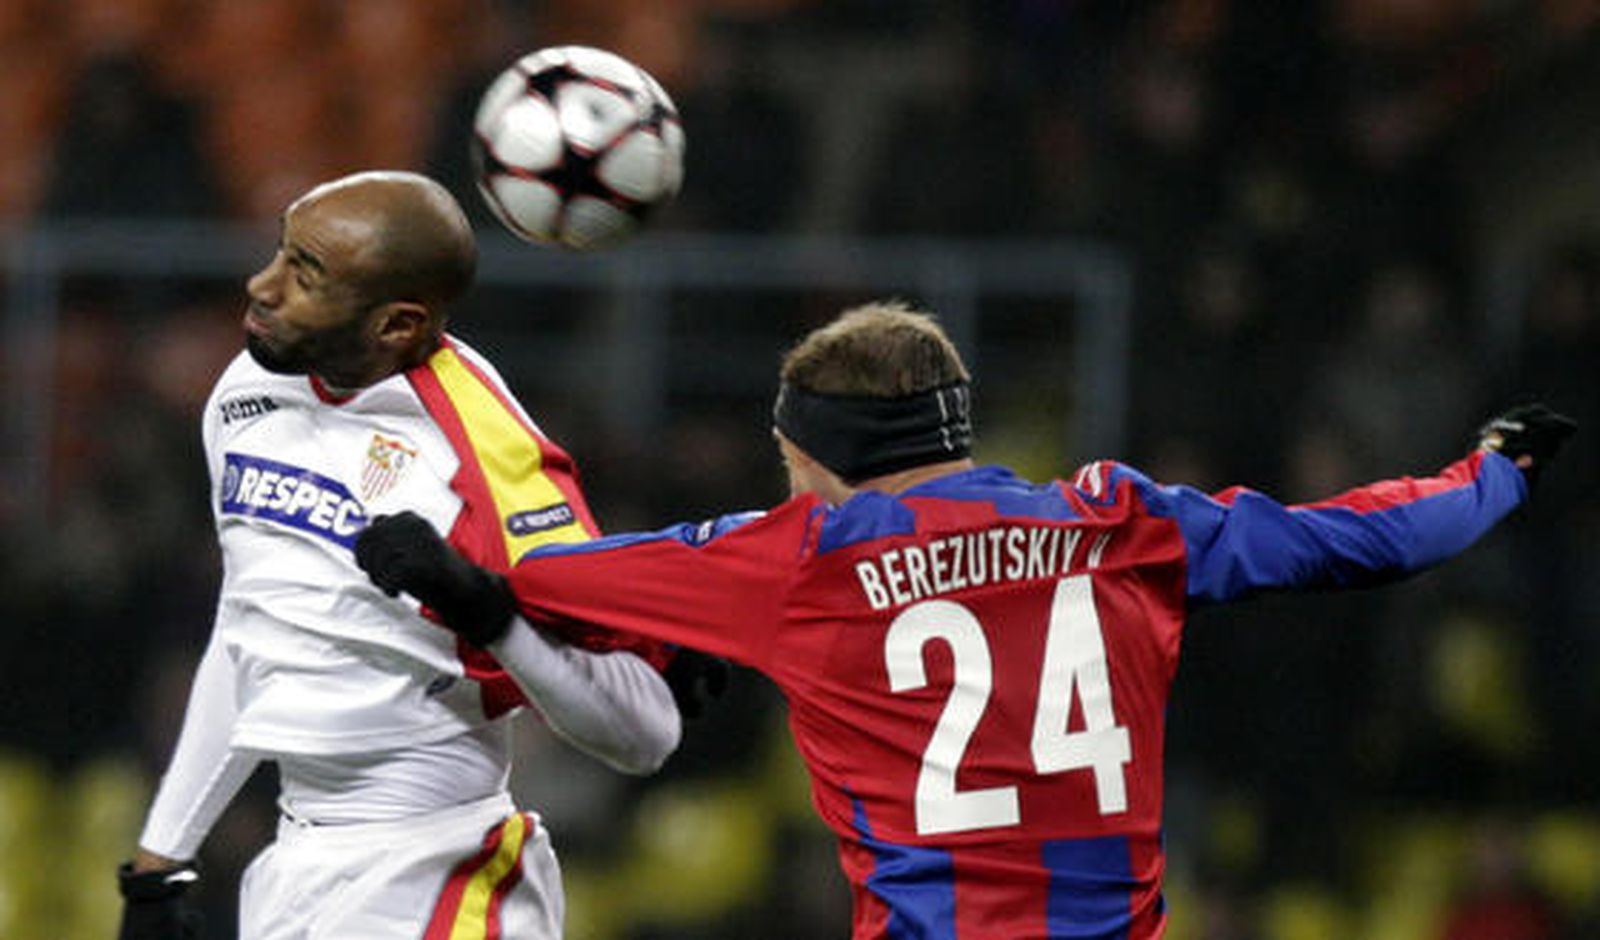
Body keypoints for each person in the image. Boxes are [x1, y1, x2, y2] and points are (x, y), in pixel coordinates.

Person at [356, 301, 1576, 939]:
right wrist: (1497, 472)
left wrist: (449, 569)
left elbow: (548, 572)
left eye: (789, 461)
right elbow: (1357, 541)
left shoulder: (799, 559)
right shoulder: (1119, 523)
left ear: (820, 457)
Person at [117, 170, 693, 940]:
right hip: (294, 870)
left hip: (439, 871)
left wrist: (489, 612)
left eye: (306, 275)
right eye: (280, 254)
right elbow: (252, 628)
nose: (262, 286)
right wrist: (163, 863)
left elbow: (644, 728)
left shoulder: (492, 462)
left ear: (396, 325)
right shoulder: (249, 389)